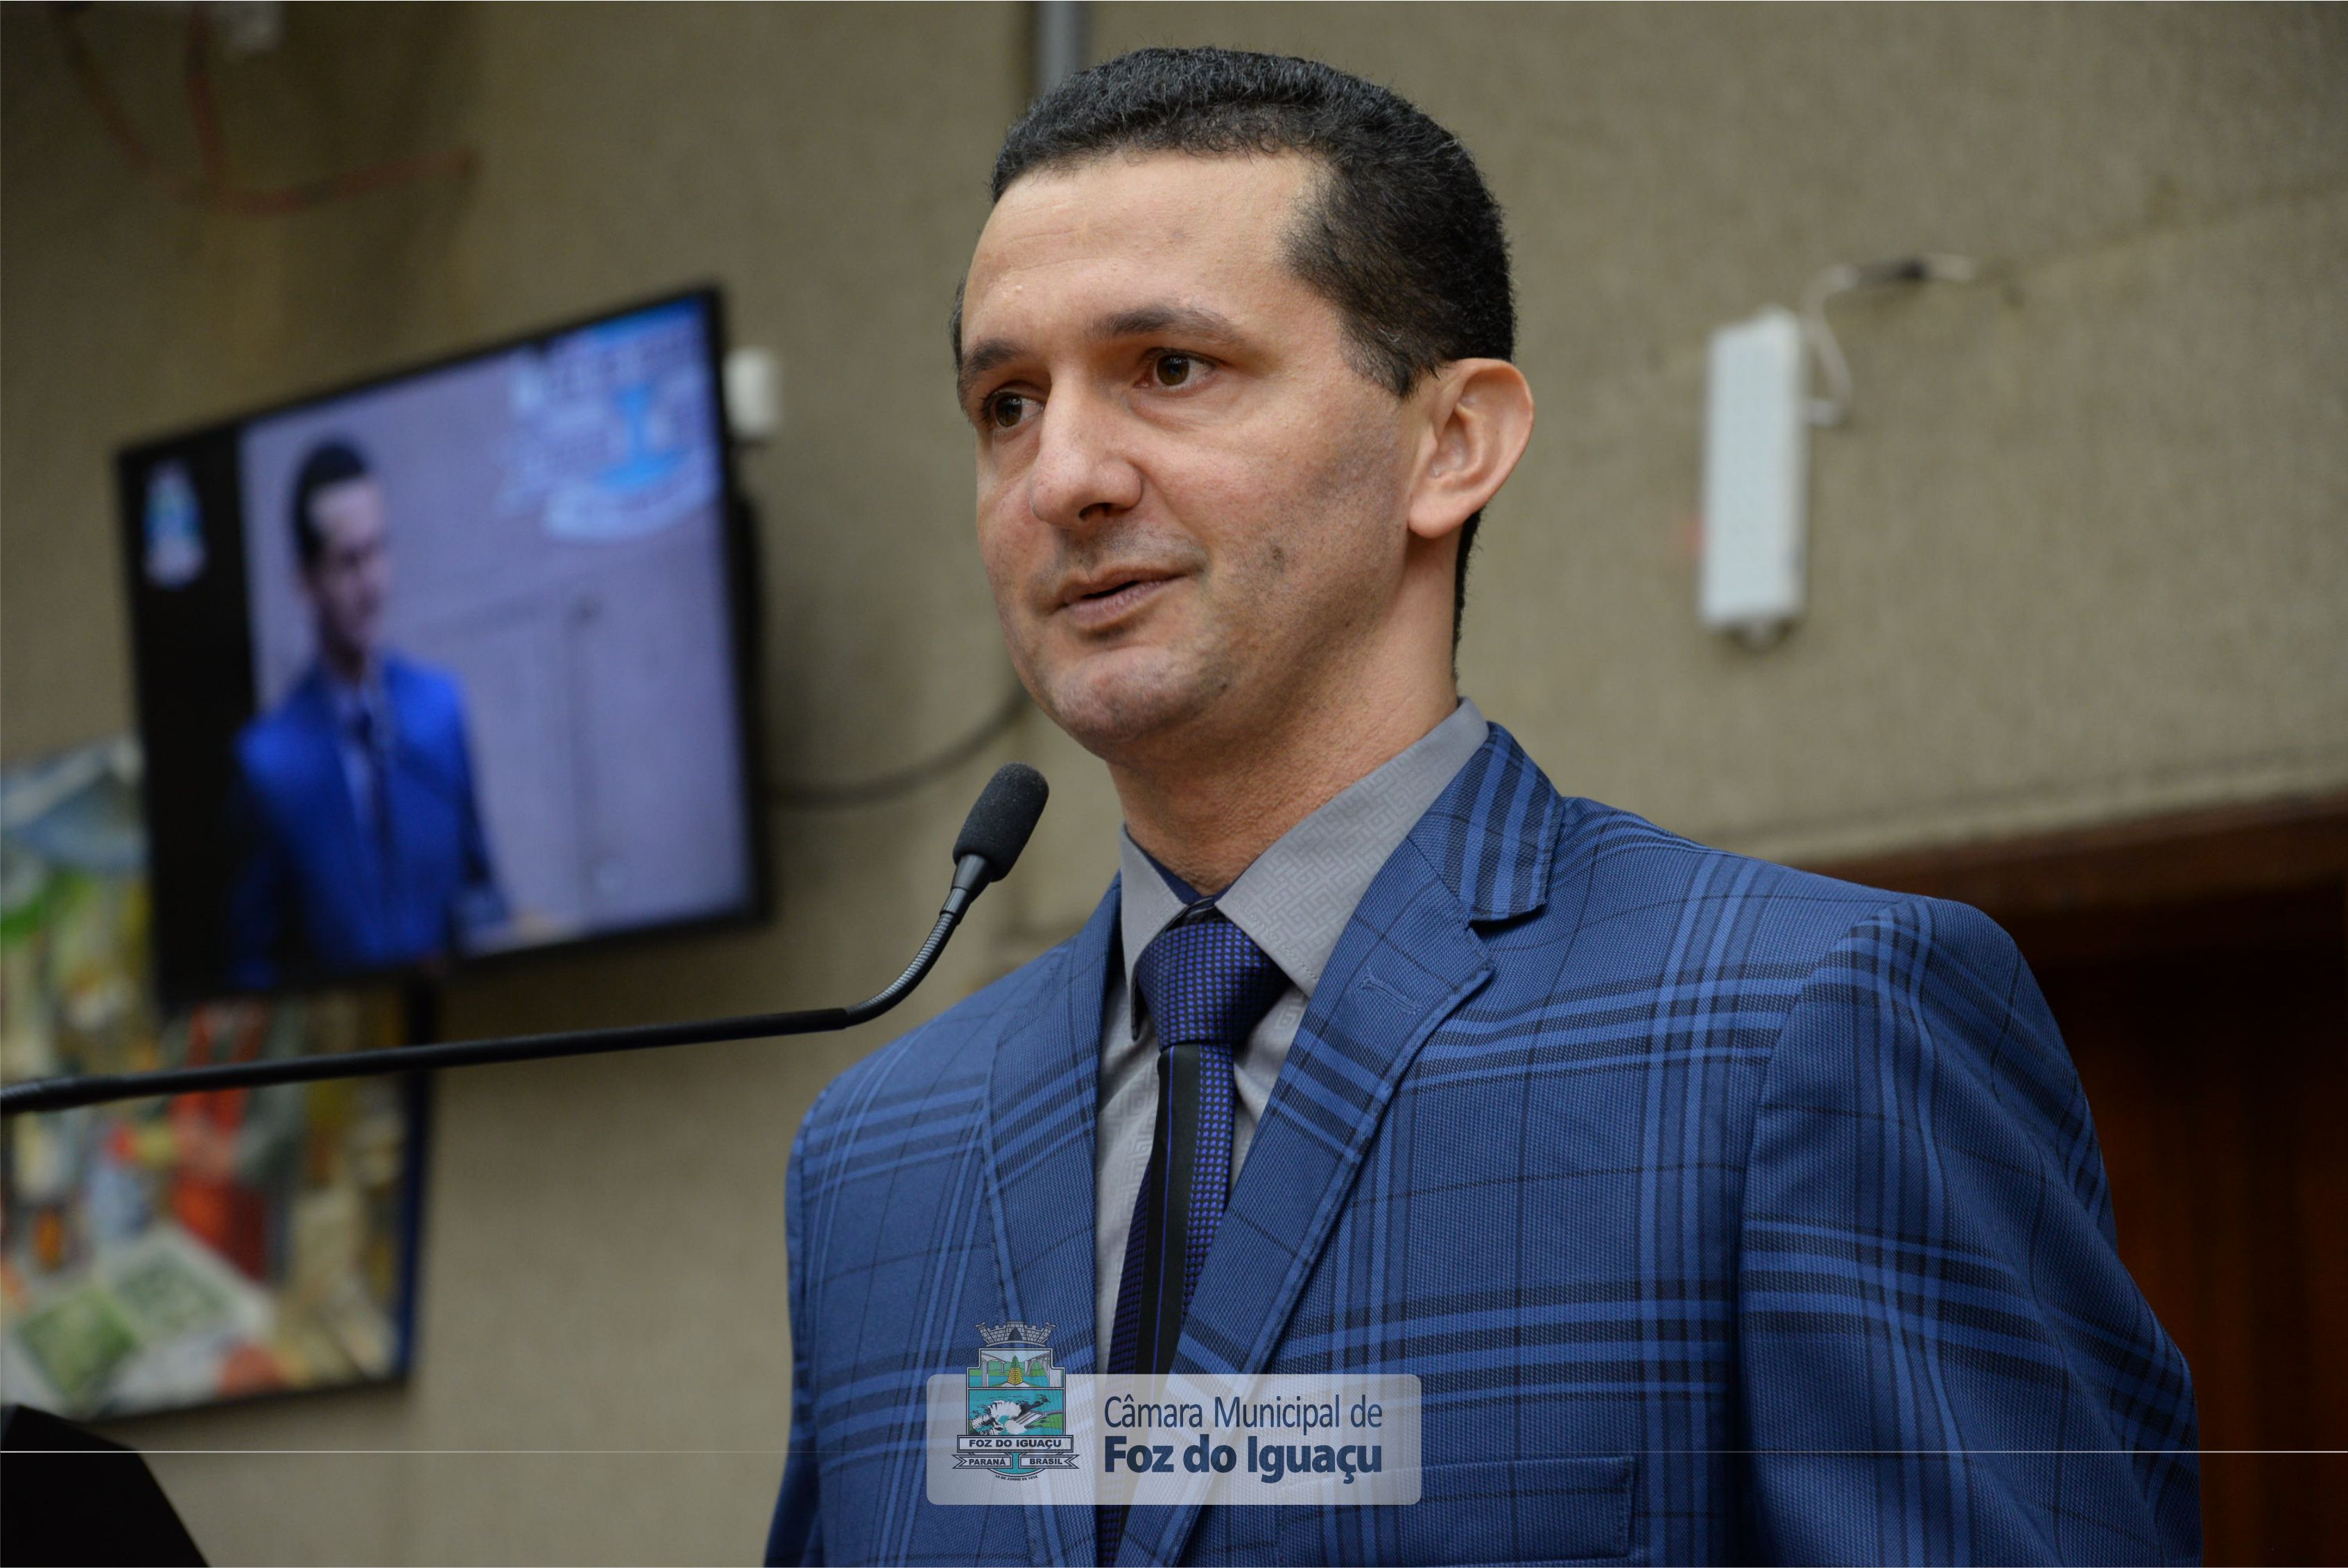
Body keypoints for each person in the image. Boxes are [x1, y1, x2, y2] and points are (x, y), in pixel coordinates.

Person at [766, 47, 2199, 1567]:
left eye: (1171, 368)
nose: (1061, 475)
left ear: (1452, 443)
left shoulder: (1806, 1026)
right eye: (1005, 403)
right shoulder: (878, 1152)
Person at [225, 439, 503, 990]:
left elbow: (482, 890)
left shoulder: (439, 711)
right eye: (348, 561)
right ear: (306, 579)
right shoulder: (268, 766)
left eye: (378, 551)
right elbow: (250, 968)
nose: (372, 582)